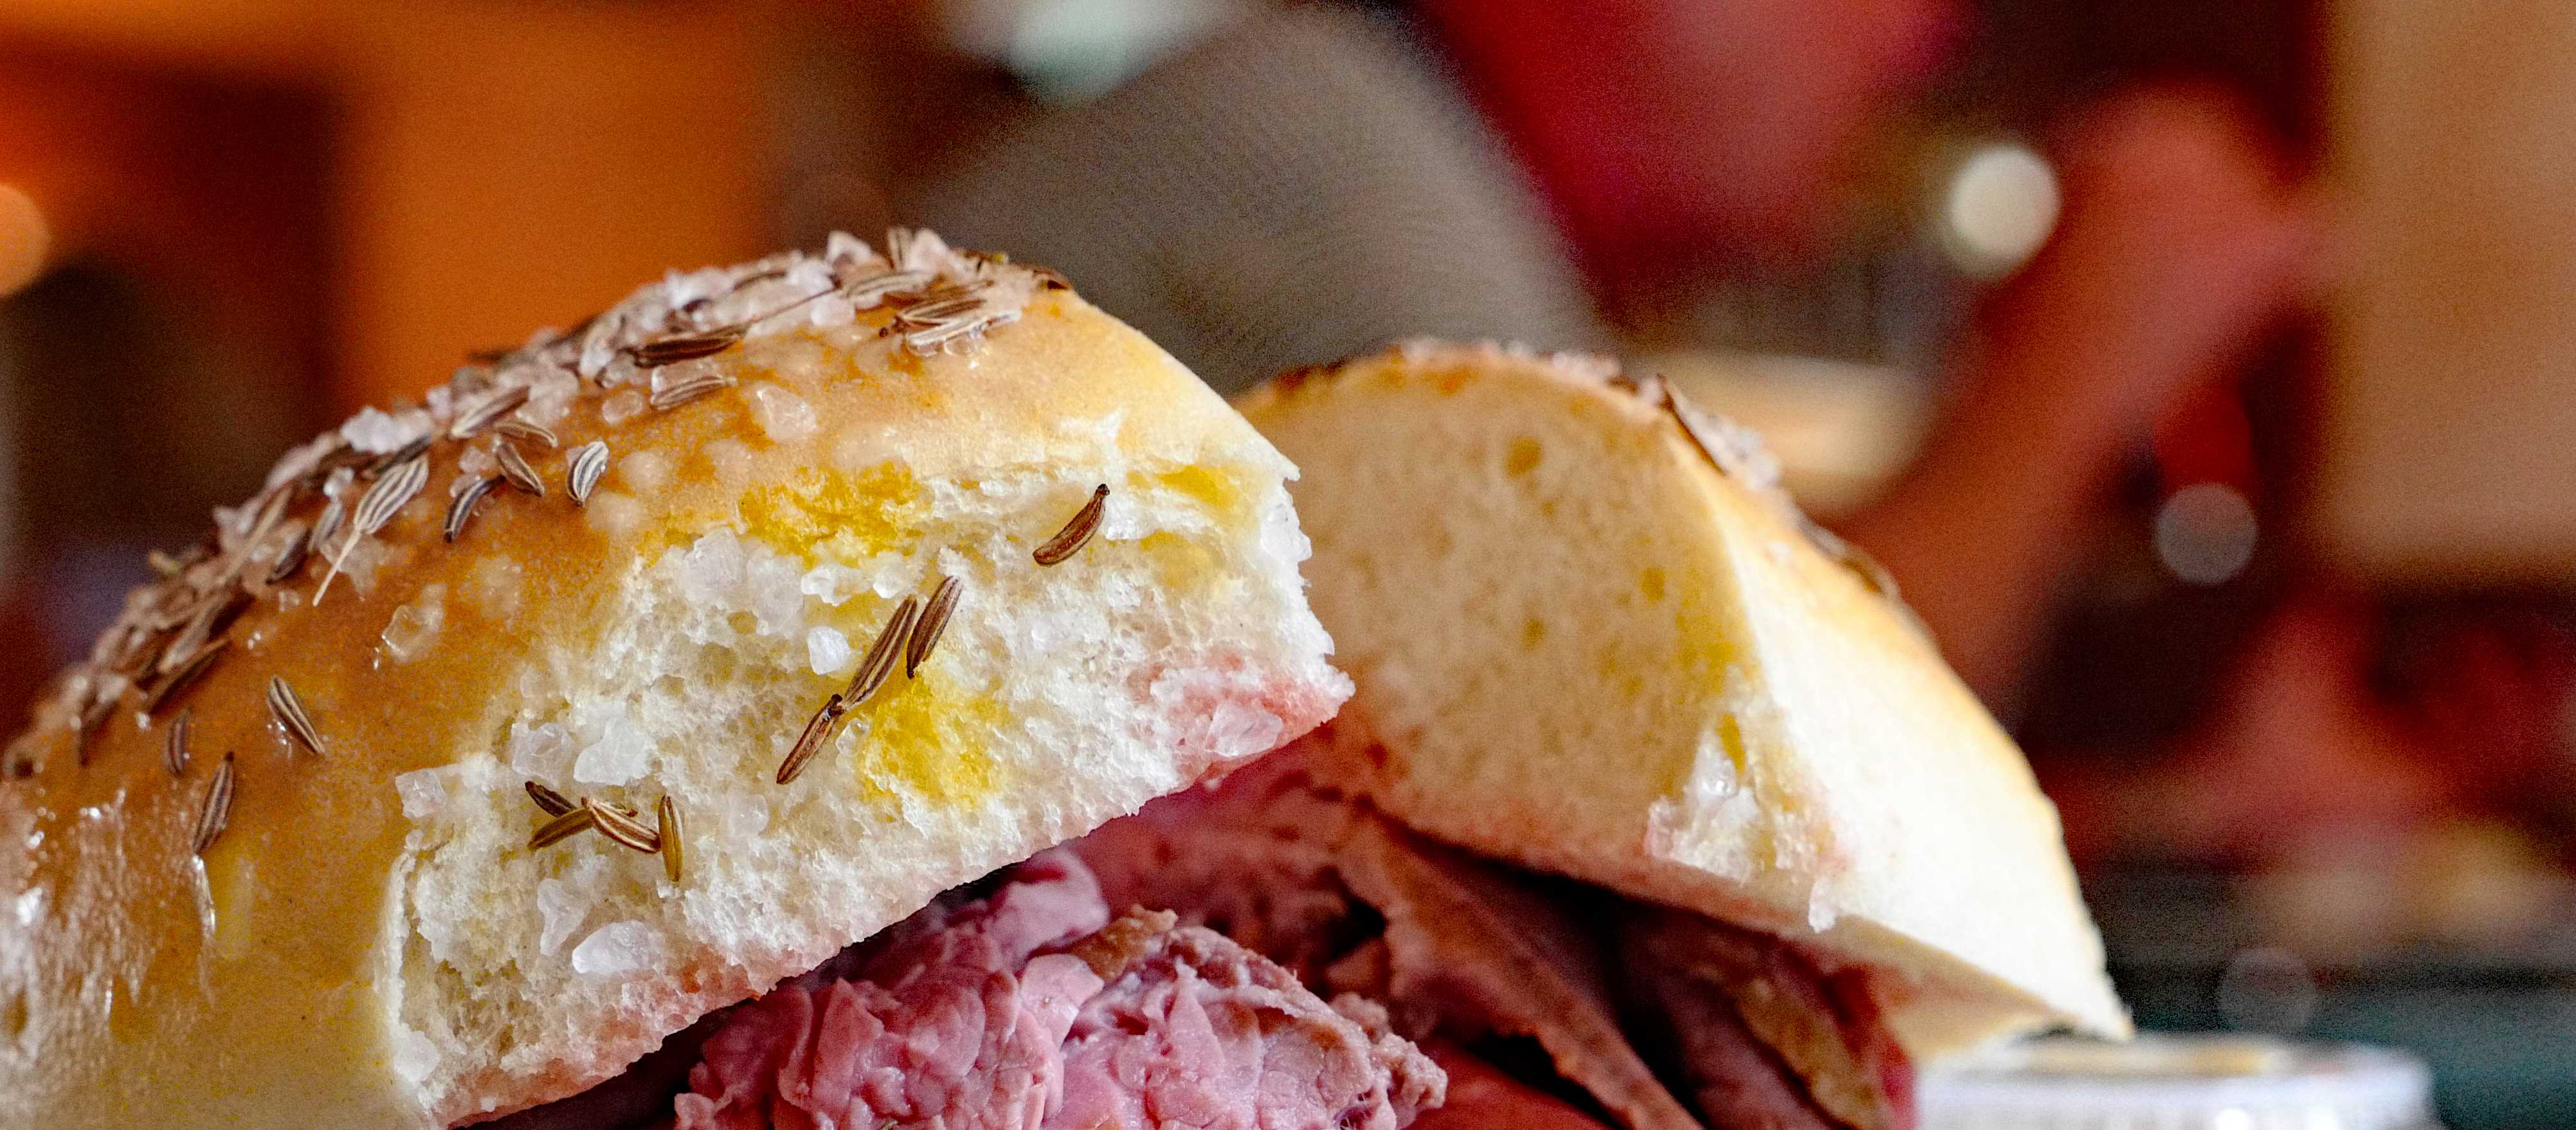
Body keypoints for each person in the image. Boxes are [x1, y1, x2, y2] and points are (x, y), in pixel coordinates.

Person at [918, 0, 2323, 709]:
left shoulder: (1377, 133)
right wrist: (2066, 379)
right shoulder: (1338, 158)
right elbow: (1733, 770)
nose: (1918, 37)